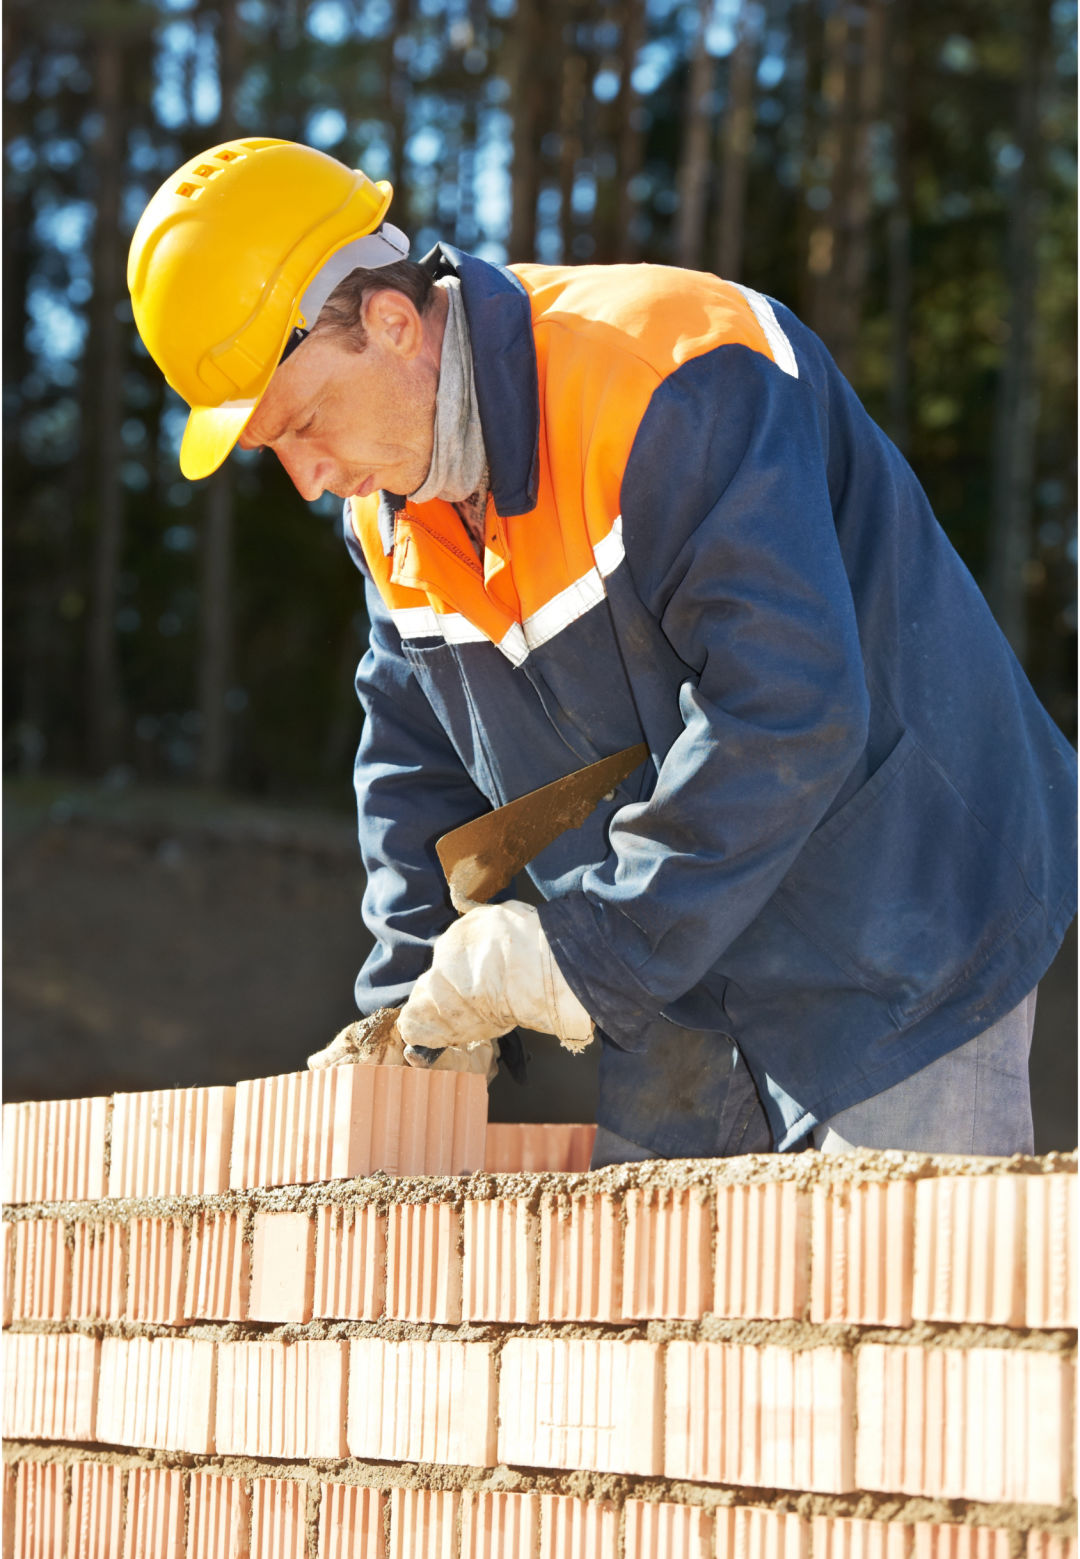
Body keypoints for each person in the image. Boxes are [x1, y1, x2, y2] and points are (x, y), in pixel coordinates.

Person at [129, 137, 1077, 1165]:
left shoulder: (672, 378)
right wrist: (409, 1015)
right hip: (680, 972)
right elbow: (419, 771)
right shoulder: (386, 516)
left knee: (894, 1301)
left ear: (392, 323)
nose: (308, 478)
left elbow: (789, 709)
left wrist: (595, 949)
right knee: (665, 1311)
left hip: (903, 917)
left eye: (304, 422)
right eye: (277, 451)